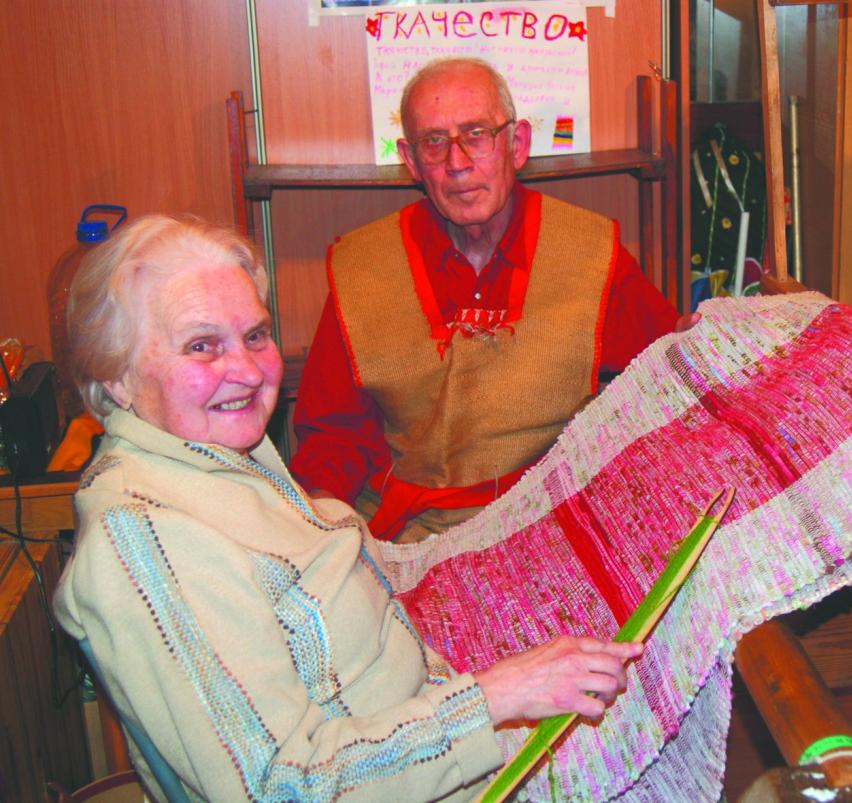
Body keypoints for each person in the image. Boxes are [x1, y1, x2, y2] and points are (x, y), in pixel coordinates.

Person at [53, 215, 642, 802]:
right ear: (116, 377)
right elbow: (279, 790)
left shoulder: (216, 457)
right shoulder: (146, 536)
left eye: (255, 336)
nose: (248, 371)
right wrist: (496, 697)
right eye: (201, 346)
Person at [290, 57, 695, 543]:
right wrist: (321, 532)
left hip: (548, 528)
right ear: (411, 161)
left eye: (477, 134)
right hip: (402, 535)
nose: (457, 163)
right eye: (434, 142)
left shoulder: (591, 255)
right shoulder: (361, 267)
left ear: (517, 144)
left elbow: (668, 385)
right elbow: (334, 435)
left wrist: (701, 348)